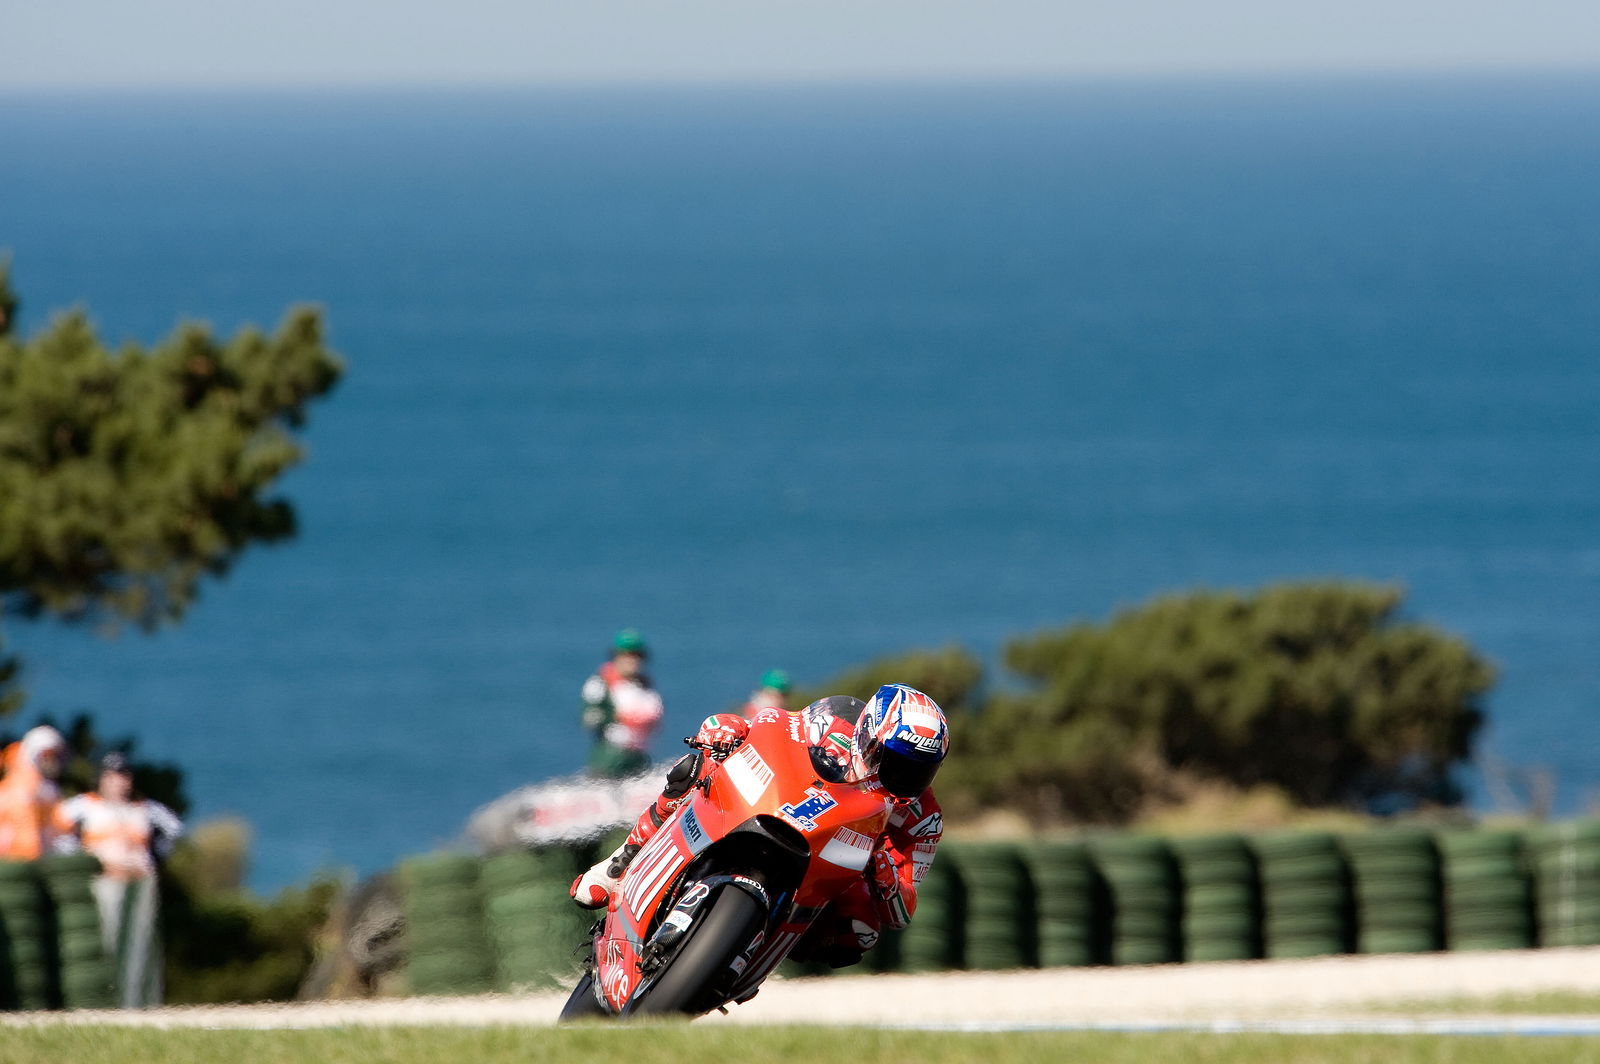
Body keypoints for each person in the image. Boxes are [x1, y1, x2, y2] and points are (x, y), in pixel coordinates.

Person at [570, 683, 948, 970]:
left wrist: (886, 880)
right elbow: (774, 727)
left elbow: (902, 910)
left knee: (861, 929)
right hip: (778, 807)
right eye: (896, 761)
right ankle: (625, 857)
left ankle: (748, 956)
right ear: (869, 735)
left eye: (920, 770)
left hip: (833, 864)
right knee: (695, 768)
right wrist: (728, 729)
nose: (906, 777)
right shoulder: (831, 728)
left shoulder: (923, 817)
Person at [58, 752, 184, 1007]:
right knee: (103, 942)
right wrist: (83, 862)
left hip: (139, 884)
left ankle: (140, 999)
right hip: (102, 882)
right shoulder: (84, 806)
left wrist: (155, 860)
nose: (118, 782)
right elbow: (57, 832)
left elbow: (173, 830)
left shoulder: (145, 809)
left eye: (123, 776)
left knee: (141, 943)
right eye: (112, 776)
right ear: (101, 779)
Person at [579, 628, 665, 778]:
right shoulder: (601, 684)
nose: (632, 661)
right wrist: (616, 717)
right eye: (626, 655)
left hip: (640, 756)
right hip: (611, 757)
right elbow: (590, 718)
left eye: (637, 656)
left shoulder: (645, 686)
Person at [0, 725, 68, 861]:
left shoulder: (47, 787)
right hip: (17, 862)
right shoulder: (21, 786)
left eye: (55, 755)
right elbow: (26, 836)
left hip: (41, 859)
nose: (51, 761)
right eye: (46, 755)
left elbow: (59, 826)